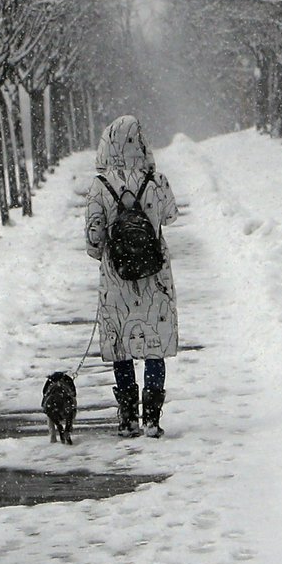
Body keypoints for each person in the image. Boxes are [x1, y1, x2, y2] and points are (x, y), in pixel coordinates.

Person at [83, 114, 180, 436]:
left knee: (121, 346)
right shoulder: (156, 180)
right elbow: (171, 216)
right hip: (155, 274)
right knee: (154, 343)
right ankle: (152, 418)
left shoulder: (99, 185)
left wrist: (110, 249)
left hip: (116, 276)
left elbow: (93, 240)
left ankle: (127, 418)